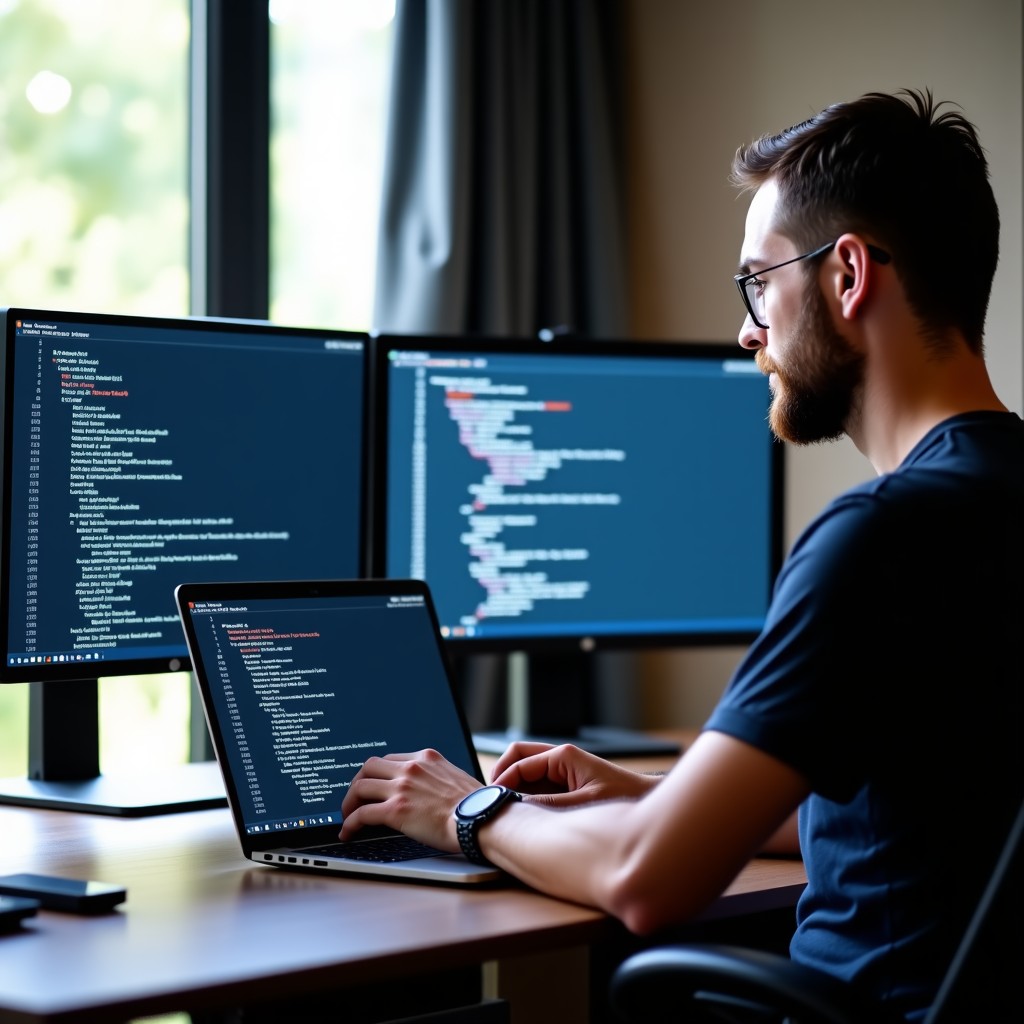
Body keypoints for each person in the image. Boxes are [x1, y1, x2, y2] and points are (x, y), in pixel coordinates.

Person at [340, 89, 1023, 1022]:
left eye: (758, 282)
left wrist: (467, 810)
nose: (749, 330)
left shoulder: (879, 537)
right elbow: (930, 812)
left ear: (847, 274)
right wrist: (658, 796)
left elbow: (644, 881)